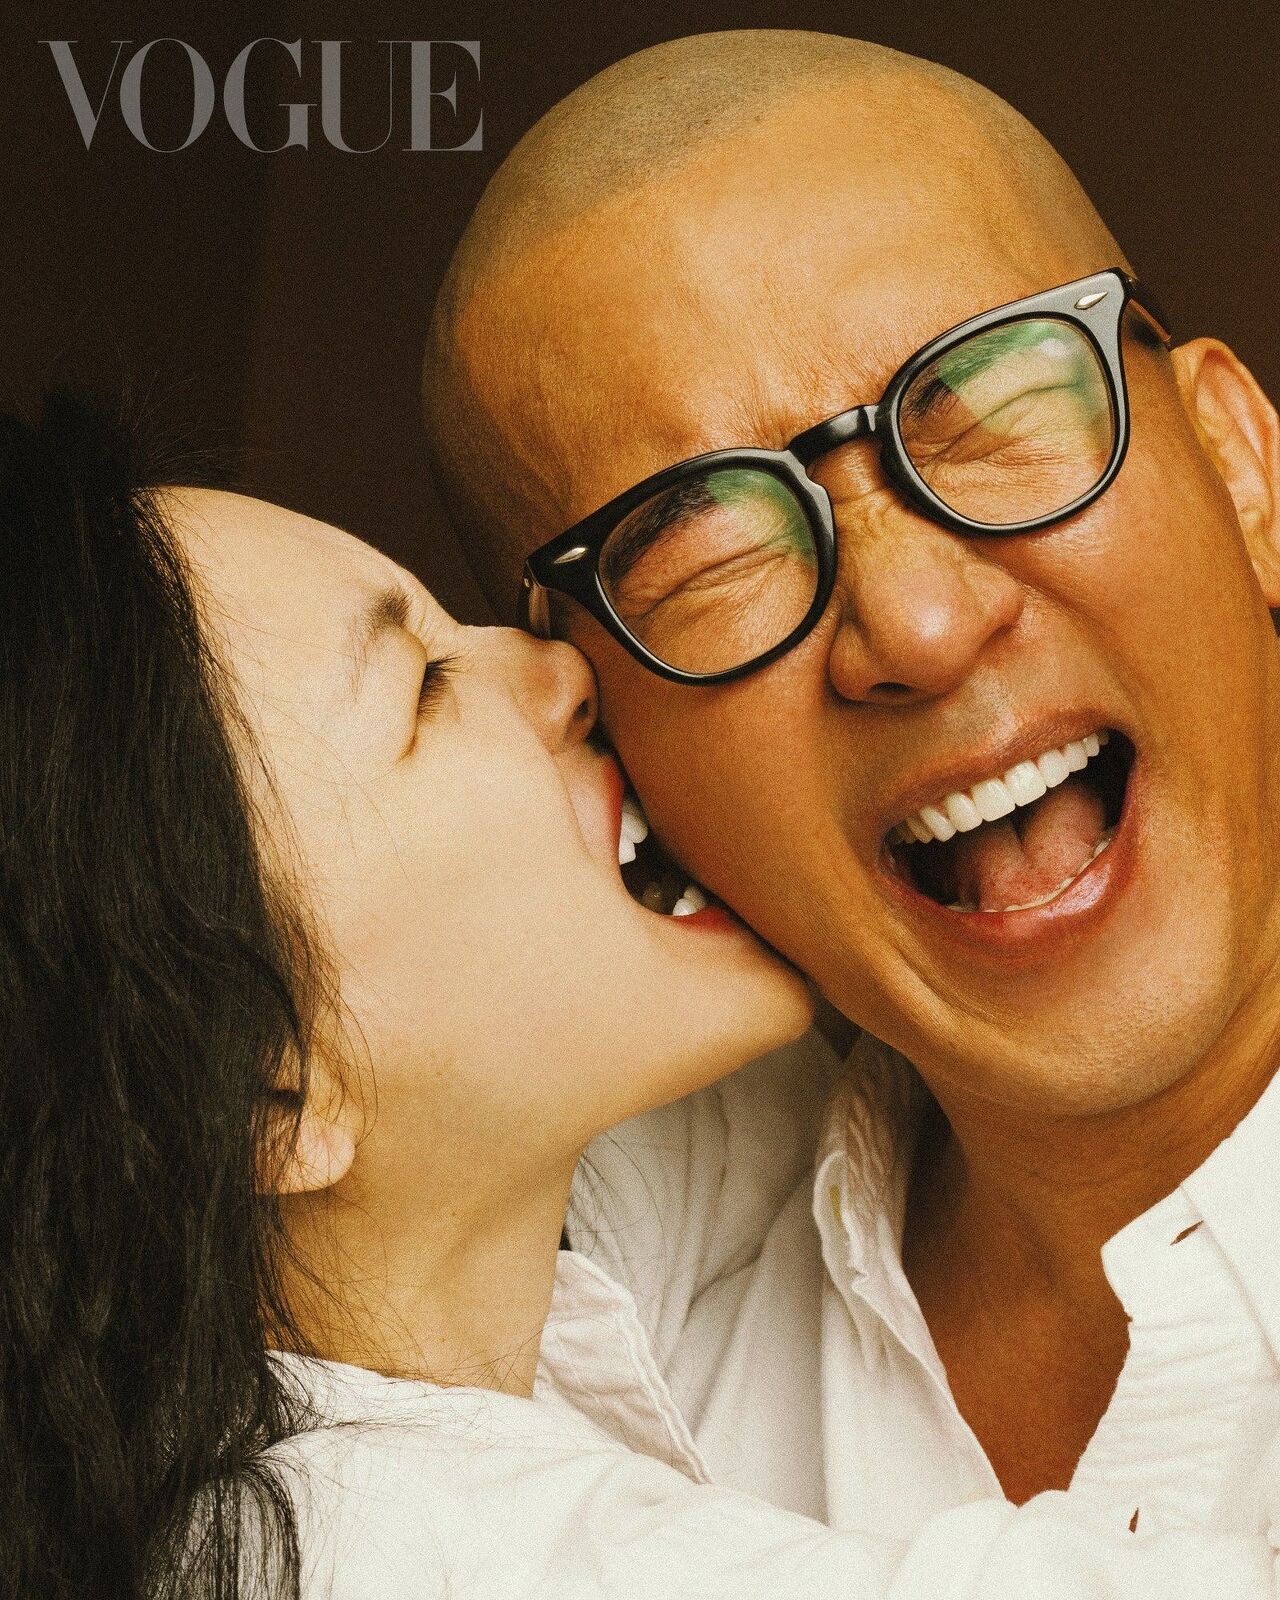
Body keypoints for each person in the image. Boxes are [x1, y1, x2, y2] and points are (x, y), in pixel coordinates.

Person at [18, 390, 1275, 1599]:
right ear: (267, 1093)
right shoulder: (376, 1556)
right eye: (424, 688)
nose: (558, 669)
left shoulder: (635, 1195)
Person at [423, 28, 1280, 1543]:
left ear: (1241, 465)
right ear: (597, 739)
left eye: (988, 409)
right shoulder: (571, 1413)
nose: (921, 626)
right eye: (708, 552)